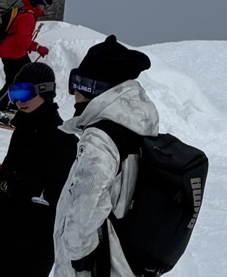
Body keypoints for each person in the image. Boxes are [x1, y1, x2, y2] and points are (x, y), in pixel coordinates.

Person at [53, 34, 158, 277]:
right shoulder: (133, 127)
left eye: (78, 83)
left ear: (94, 88)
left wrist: (77, 256)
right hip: (123, 262)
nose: (74, 93)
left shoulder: (100, 138)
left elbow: (87, 200)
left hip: (94, 268)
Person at [0, 62, 77, 277]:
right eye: (14, 93)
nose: (18, 101)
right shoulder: (24, 130)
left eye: (24, 93)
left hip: (33, 246)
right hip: (9, 237)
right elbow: (11, 187)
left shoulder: (63, 139)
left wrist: (4, 178)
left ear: (45, 91)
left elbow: (52, 194)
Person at [0, 0, 53, 116]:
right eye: (45, 6)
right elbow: (22, 40)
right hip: (11, 53)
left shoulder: (27, 11)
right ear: (40, 5)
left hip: (17, 52)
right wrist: (38, 48)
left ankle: (13, 103)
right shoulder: (28, 16)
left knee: (26, 77)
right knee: (13, 81)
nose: (46, 9)